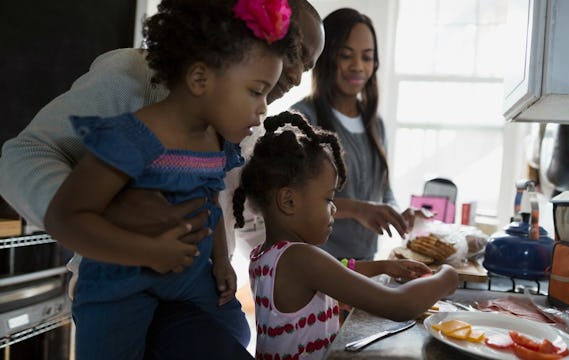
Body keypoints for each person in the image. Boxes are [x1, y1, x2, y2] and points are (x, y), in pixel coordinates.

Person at [0, 0, 324, 358]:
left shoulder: (241, 123)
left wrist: (309, 245)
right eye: (294, 49)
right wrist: (109, 210)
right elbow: (24, 155)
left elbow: (224, 207)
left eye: (307, 66)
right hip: (126, 290)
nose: (296, 76)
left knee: (232, 330)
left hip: (195, 285)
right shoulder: (132, 79)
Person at [232, 111, 459, 360]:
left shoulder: (265, 255)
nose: (335, 208)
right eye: (328, 198)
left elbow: (336, 272)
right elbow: (399, 305)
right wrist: (446, 277)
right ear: (288, 201)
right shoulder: (301, 258)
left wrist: (384, 266)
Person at [290, 8, 417, 261]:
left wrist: (395, 212)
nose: (358, 66)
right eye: (346, 55)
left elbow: (384, 192)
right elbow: (293, 197)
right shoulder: (303, 118)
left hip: (364, 265)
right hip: (317, 265)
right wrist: (358, 210)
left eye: (367, 58)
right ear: (326, 58)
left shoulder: (375, 124)